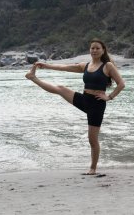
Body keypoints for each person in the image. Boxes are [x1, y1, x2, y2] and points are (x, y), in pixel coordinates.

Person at [25, 39, 125, 175]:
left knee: (92, 140)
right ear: (90, 50)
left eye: (97, 48)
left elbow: (121, 84)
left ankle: (93, 168)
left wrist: (109, 97)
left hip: (97, 105)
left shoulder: (107, 66)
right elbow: (65, 67)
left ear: (103, 50)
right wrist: (46, 66)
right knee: (60, 89)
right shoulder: (86, 65)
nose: (94, 50)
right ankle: (33, 78)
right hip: (84, 99)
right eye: (92, 48)